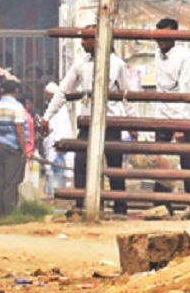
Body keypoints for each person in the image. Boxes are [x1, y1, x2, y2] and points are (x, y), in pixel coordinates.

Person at [43, 30, 136, 215]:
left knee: (114, 166)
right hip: (87, 121)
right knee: (81, 163)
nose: (82, 43)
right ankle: (81, 205)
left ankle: (120, 208)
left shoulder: (117, 64)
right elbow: (63, 90)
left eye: (86, 39)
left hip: (111, 122)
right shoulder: (80, 64)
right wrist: (47, 116)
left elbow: (127, 94)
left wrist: (132, 122)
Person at [153, 18, 190, 199]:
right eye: (159, 36)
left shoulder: (184, 56)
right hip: (163, 115)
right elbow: (161, 87)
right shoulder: (157, 54)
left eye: (166, 36)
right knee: (163, 163)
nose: (161, 40)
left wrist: (180, 124)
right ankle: (162, 204)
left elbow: (186, 89)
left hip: (184, 116)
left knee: (189, 162)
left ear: (175, 35)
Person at [0, 79, 28, 217]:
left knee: (2, 180)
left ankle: (1, 212)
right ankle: (9, 214)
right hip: (14, 148)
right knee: (12, 183)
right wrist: (24, 150)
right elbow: (19, 131)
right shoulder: (17, 107)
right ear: (16, 91)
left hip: (0, 146)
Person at [41, 82, 74, 196]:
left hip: (57, 147)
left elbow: (60, 128)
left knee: (56, 173)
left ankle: (56, 196)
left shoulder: (59, 109)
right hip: (52, 144)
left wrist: (59, 148)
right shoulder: (52, 107)